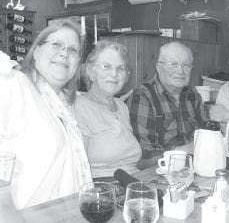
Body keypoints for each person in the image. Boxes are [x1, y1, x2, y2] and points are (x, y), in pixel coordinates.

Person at [0, 20, 92, 209]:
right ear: (36, 51)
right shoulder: (14, 85)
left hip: (69, 214)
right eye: (56, 44)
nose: (64, 53)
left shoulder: (64, 102)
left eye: (73, 50)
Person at [127, 41, 207, 168]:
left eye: (186, 65)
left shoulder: (193, 95)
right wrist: (183, 152)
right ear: (159, 67)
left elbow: (207, 134)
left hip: (195, 168)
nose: (180, 71)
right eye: (173, 64)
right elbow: (143, 157)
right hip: (158, 175)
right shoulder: (142, 97)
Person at [75, 40, 142, 180]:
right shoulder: (78, 107)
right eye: (106, 66)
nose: (114, 73)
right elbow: (77, 168)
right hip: (102, 189)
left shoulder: (122, 107)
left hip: (133, 182)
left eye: (120, 68)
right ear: (90, 71)